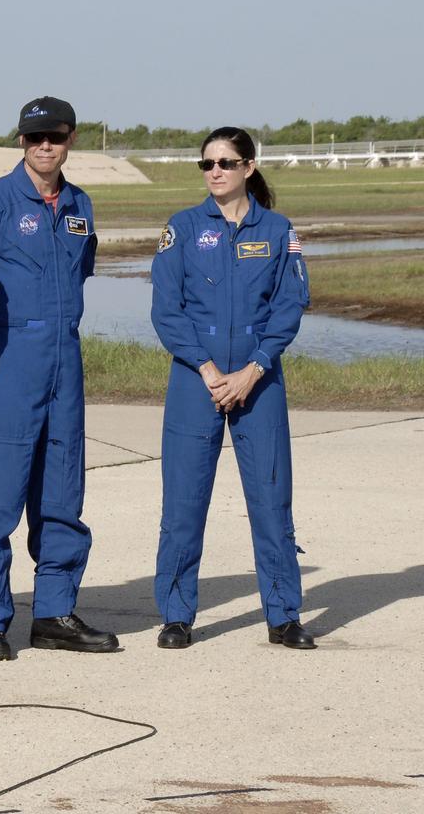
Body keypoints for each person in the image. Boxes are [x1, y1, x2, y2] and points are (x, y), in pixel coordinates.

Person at [0, 96, 118, 660]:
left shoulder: (79, 205)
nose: (44, 146)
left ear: (71, 138)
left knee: (62, 491)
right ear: (20, 142)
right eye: (33, 138)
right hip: (5, 366)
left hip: (63, 365)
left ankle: (53, 612)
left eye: (55, 136)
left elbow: (80, 272)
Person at [150, 126, 314, 650]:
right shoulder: (181, 227)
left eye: (225, 162)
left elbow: (290, 306)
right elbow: (165, 311)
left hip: (258, 382)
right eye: (207, 164)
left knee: (271, 499)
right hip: (195, 381)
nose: (215, 172)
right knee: (182, 503)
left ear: (248, 167)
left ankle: (283, 615)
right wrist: (206, 369)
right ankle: (177, 615)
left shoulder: (279, 229)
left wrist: (254, 368)